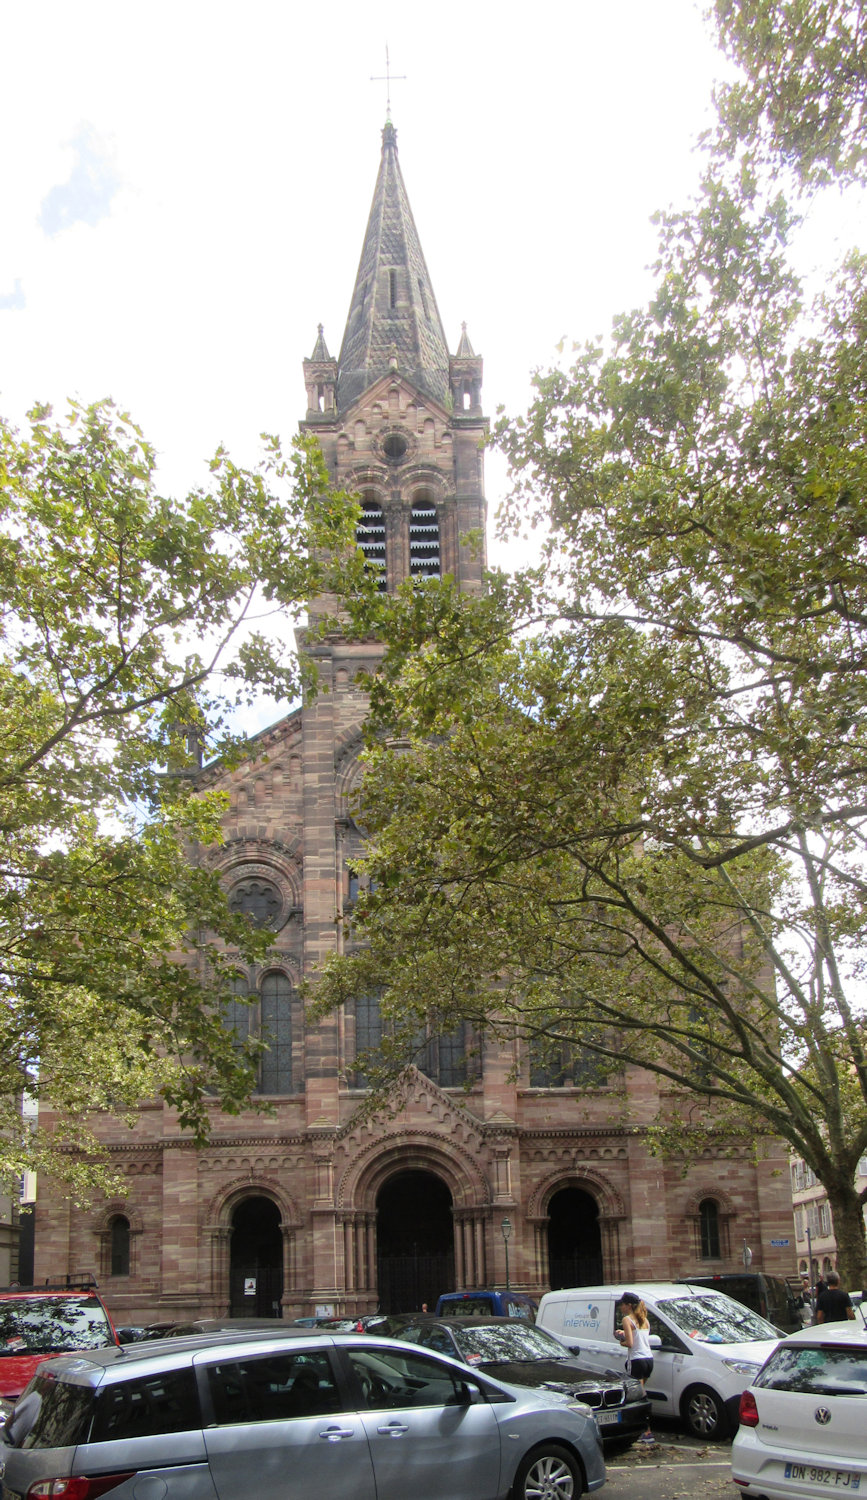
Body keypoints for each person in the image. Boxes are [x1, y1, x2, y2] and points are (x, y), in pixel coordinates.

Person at [616, 1292, 655, 1444]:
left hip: (636, 1360)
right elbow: (639, 1338)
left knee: (638, 1397)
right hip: (648, 1359)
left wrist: (621, 1340)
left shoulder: (627, 1319)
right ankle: (645, 1429)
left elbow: (630, 1343)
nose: (621, 1307)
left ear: (629, 1306)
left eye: (622, 1304)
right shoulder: (644, 1319)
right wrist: (624, 1334)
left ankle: (646, 1431)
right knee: (642, 1392)